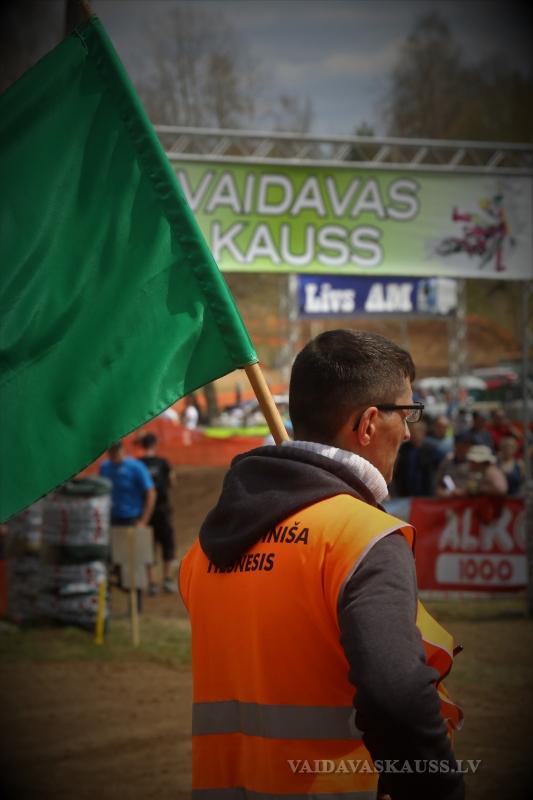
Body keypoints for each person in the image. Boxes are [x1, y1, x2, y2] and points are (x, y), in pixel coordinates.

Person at [179, 329, 464, 799]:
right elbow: (396, 695)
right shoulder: (364, 536)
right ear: (368, 424)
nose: (409, 431)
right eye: (406, 412)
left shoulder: (203, 552)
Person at [138, 432, 177, 594]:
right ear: (155, 444)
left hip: (144, 511)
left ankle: (152, 583)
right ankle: (167, 580)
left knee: (149, 545)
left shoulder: (138, 464)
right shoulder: (162, 462)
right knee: (167, 543)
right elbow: (172, 482)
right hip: (162, 508)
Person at [99, 441, 156, 528]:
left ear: (123, 450)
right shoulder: (105, 467)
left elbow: (151, 493)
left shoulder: (136, 467)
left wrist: (144, 521)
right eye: (111, 451)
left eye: (116, 450)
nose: (114, 454)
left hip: (132, 518)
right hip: (112, 518)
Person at [435, 431, 474, 497]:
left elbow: (475, 486)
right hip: (449, 498)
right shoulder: (447, 461)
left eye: (465, 445)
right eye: (460, 445)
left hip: (467, 499)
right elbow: (438, 485)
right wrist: (445, 493)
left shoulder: (473, 462)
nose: (462, 448)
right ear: (455, 445)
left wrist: (463, 491)